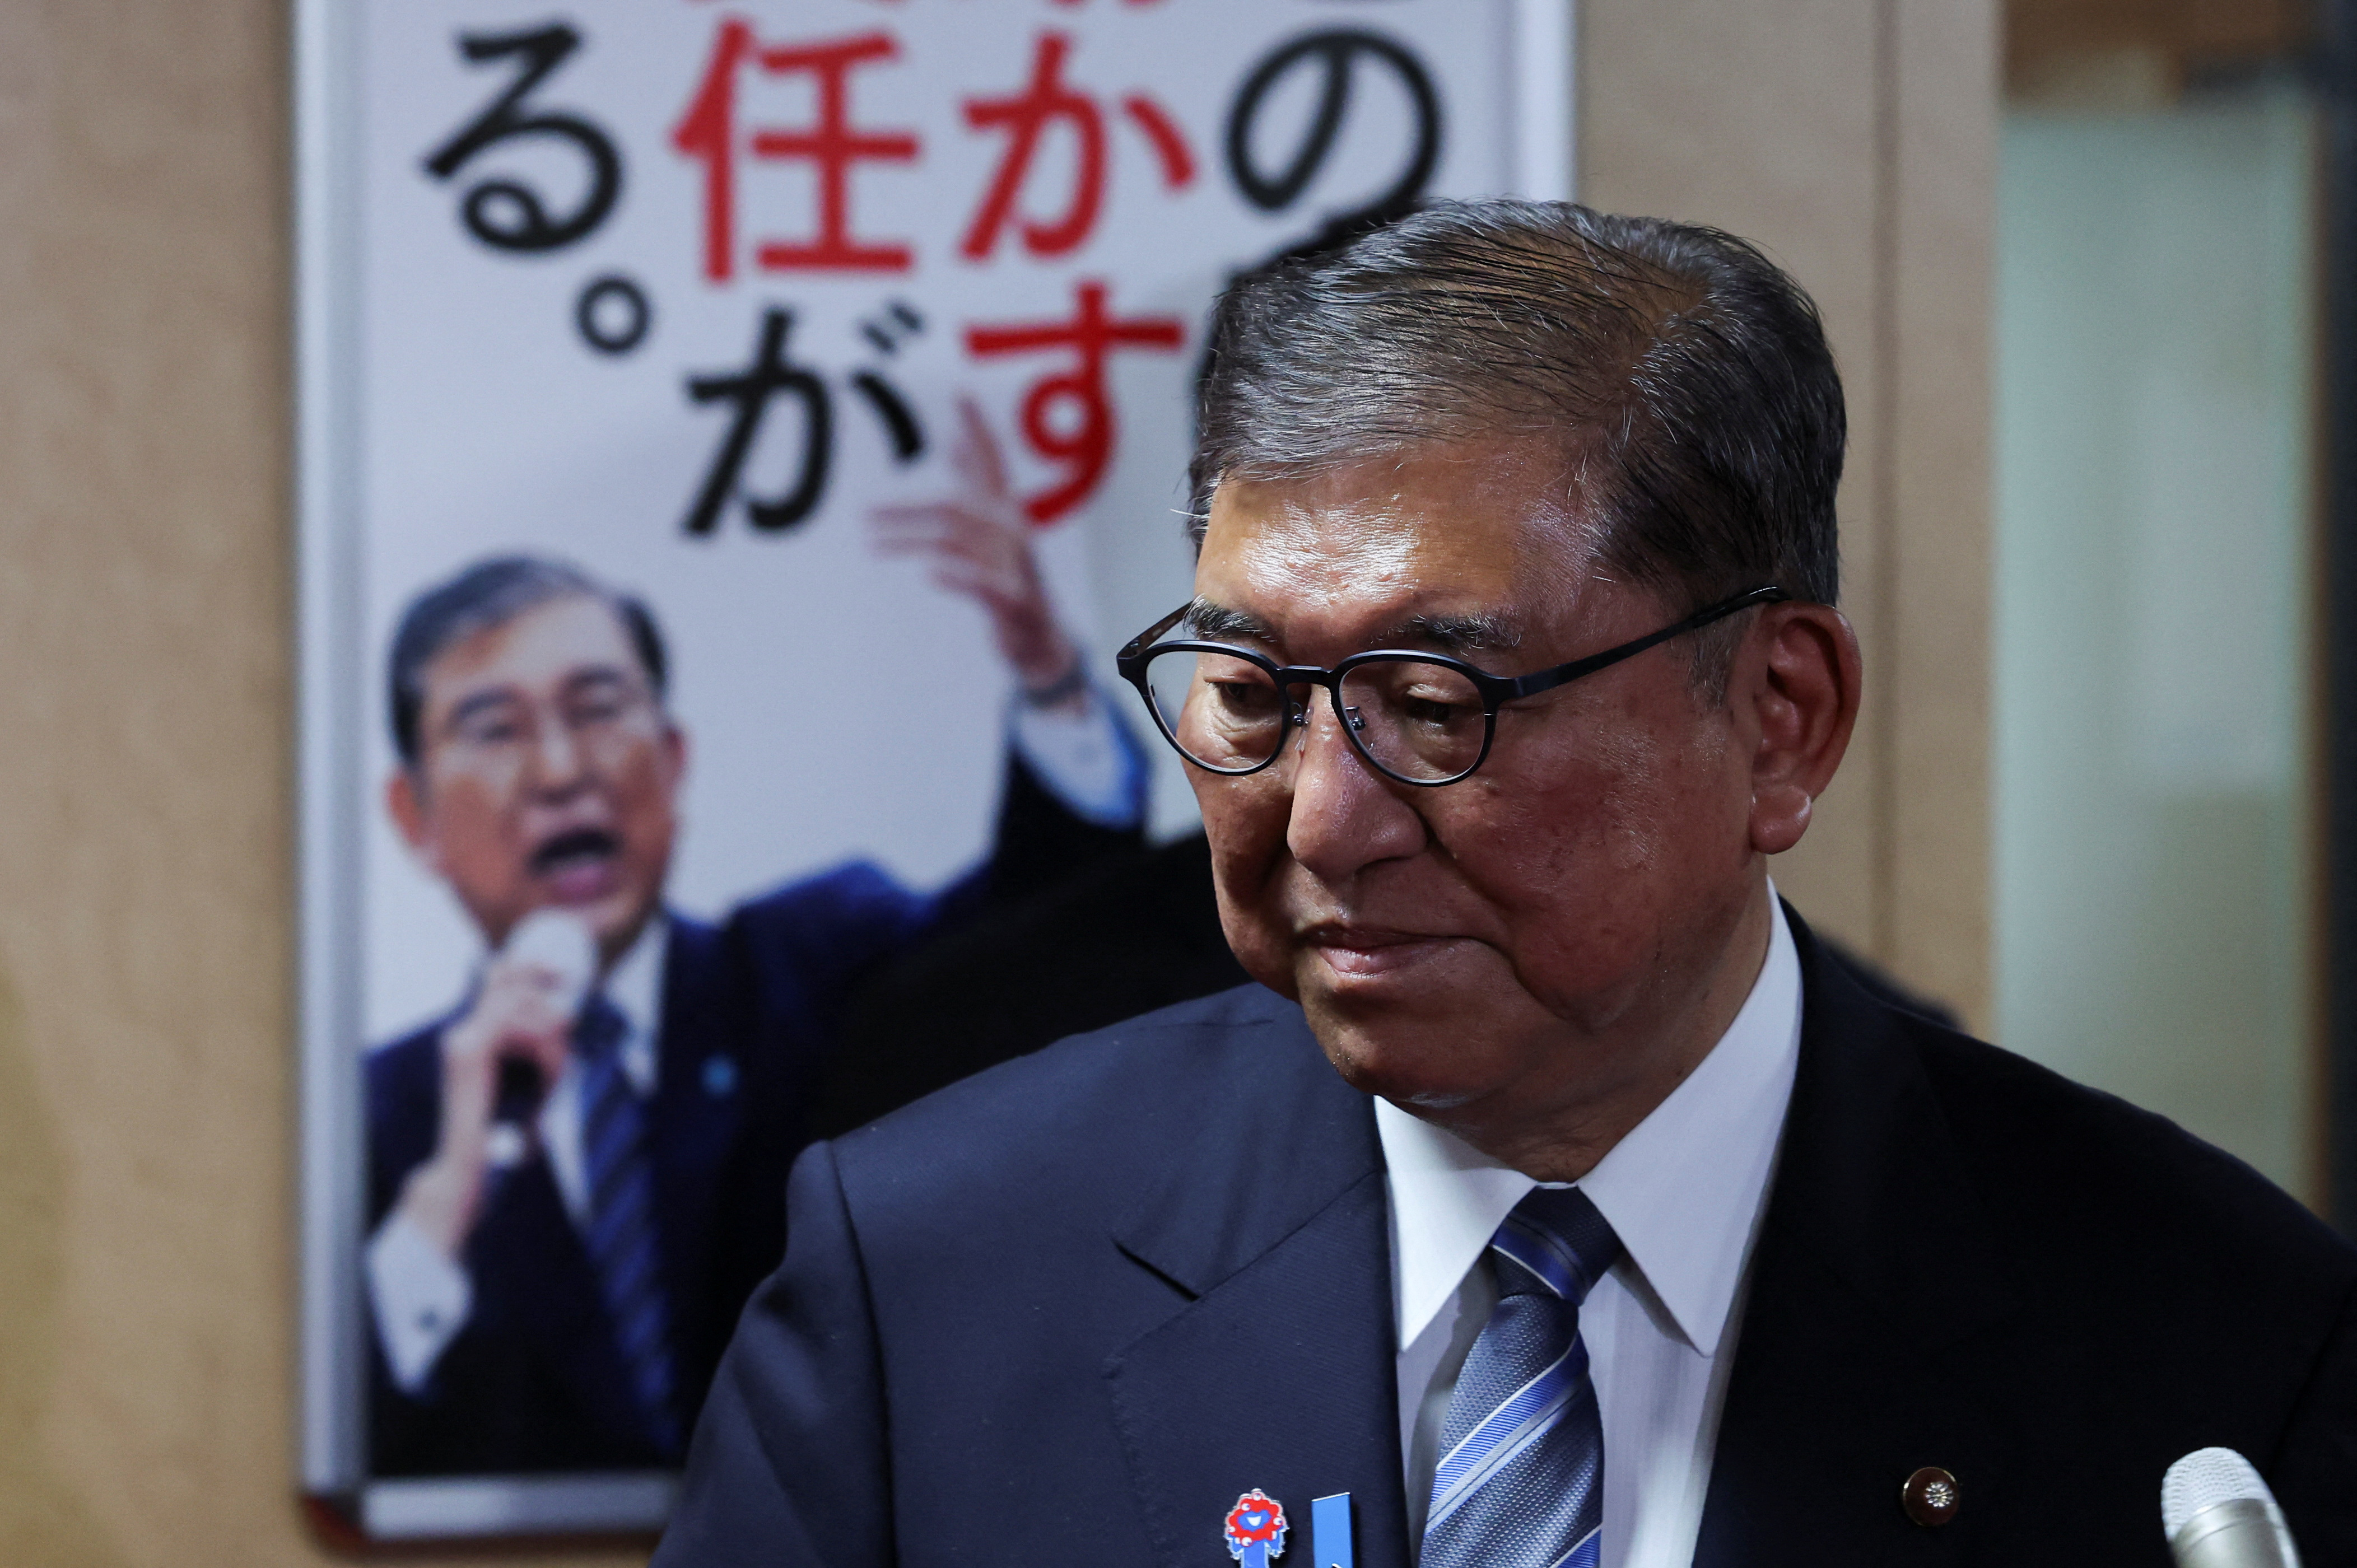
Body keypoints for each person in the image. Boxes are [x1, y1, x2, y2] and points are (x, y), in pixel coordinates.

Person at [653, 202, 2357, 1567]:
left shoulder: (2205, 1337)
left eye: (1433, 704)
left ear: (1780, 717)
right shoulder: (934, 1276)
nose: (1325, 822)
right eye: (1248, 695)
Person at [364, 419, 1150, 1477]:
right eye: (496, 729)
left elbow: (1039, 942)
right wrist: (451, 1192)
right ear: (413, 817)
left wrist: (1050, 678)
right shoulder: (383, 1117)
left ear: (674, 760)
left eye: (598, 709)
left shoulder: (809, 967)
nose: (560, 771)